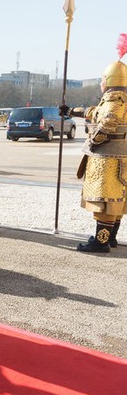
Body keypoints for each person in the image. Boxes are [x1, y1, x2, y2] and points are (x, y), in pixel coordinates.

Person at [59, 34, 127, 252]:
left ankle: (101, 242)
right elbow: (95, 112)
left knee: (105, 199)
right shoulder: (121, 99)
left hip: (108, 158)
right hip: (121, 157)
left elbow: (107, 121)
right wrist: (71, 111)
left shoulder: (113, 98)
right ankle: (110, 238)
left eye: (101, 80)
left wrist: (95, 140)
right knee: (115, 200)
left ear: (108, 80)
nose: (100, 83)